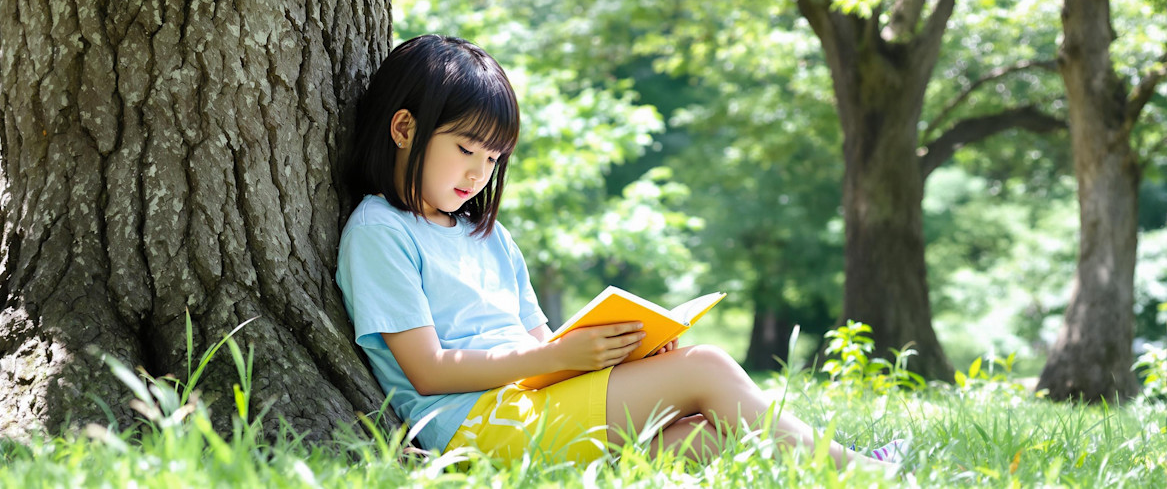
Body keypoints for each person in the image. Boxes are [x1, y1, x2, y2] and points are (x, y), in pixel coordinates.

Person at [336, 34, 903, 469]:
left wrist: (625, 350)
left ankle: (828, 463)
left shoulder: (487, 236)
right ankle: (862, 472)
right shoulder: (380, 230)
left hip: (530, 403)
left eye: (492, 160)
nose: (477, 174)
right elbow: (429, 373)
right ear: (404, 128)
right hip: (474, 425)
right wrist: (558, 359)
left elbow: (542, 347)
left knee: (711, 427)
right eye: (465, 149)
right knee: (707, 367)